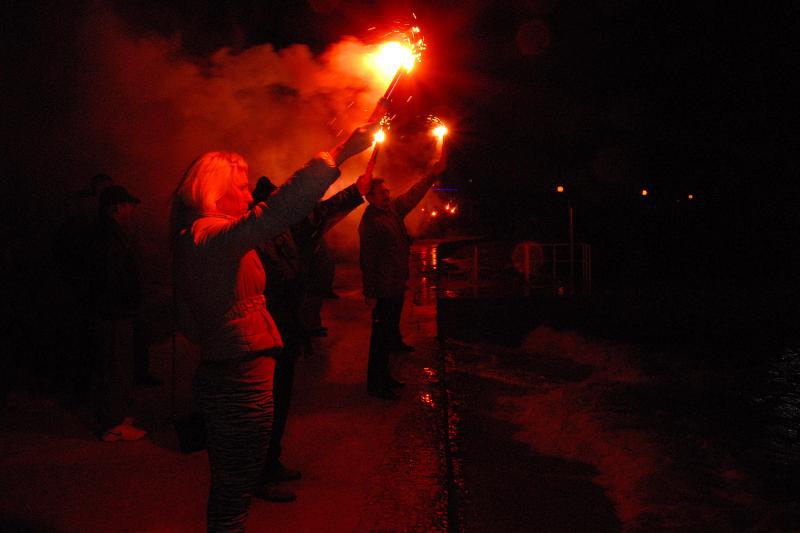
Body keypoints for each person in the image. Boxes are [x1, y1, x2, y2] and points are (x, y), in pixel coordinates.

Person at [170, 124, 375, 533]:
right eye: (242, 187)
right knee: (233, 491)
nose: (249, 196)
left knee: (236, 487)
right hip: (237, 377)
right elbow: (278, 212)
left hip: (241, 371)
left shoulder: (214, 238)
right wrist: (338, 152)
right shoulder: (207, 234)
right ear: (214, 189)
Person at [253, 172, 373, 502]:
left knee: (280, 402)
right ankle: (257, 474)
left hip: (285, 328)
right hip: (263, 331)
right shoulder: (250, 235)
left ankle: (271, 461)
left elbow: (320, 215)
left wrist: (355, 191)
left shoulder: (284, 229)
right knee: (264, 406)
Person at [358, 146, 446, 400]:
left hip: (395, 286)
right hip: (383, 290)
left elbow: (413, 194)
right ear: (371, 198)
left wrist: (432, 175)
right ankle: (376, 384)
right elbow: (368, 260)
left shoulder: (392, 211)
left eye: (387, 191)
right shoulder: (371, 223)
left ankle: (384, 378)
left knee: (387, 338)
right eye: (382, 193)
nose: (388, 194)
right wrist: (370, 294)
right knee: (380, 339)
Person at [87, 184, 147, 441]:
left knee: (116, 363)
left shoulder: (105, 231)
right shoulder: (109, 235)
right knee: (115, 364)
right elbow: (113, 276)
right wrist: (128, 299)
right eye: (128, 205)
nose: (132, 209)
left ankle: (117, 416)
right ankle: (112, 425)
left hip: (112, 309)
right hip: (113, 311)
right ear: (116, 208)